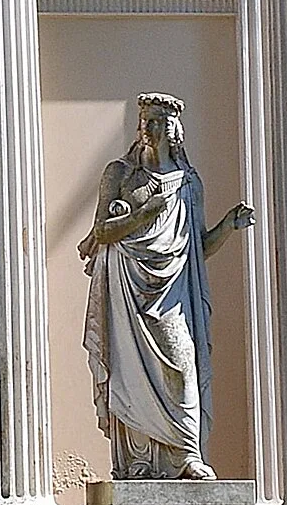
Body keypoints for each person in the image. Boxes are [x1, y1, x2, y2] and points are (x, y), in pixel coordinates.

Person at [81, 95, 251, 479]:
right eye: (144, 121)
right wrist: (143, 214)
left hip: (173, 293)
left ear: (174, 130)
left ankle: (187, 456)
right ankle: (137, 462)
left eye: (157, 121)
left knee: (182, 366)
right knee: (128, 374)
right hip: (128, 290)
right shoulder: (120, 174)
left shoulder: (188, 183)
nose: (148, 128)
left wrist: (227, 226)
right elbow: (101, 232)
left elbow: (196, 248)